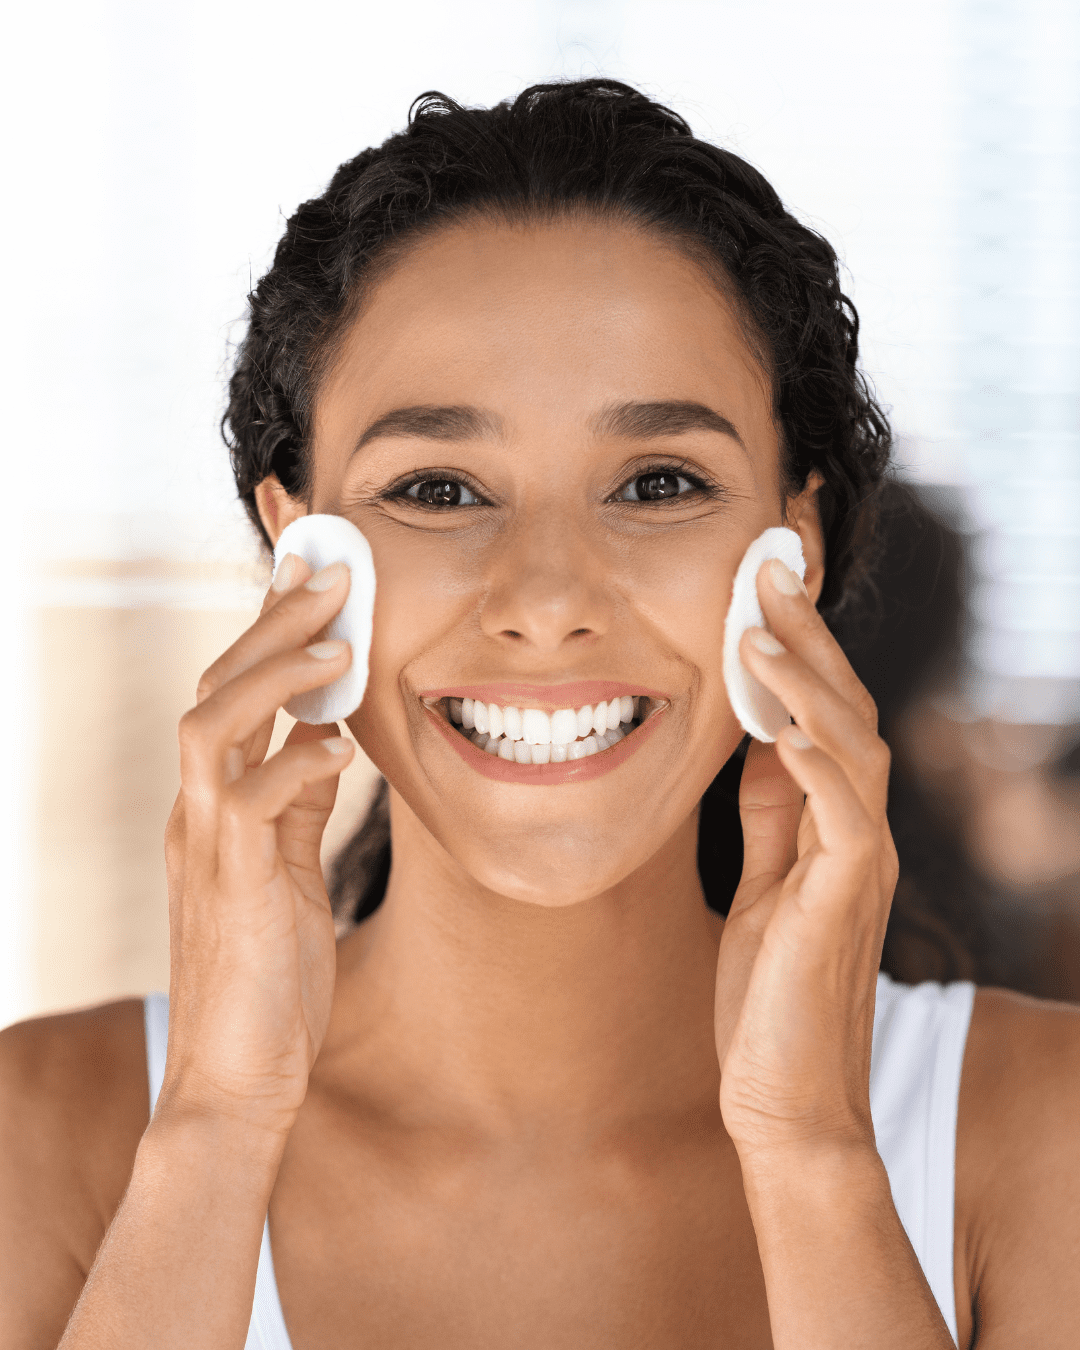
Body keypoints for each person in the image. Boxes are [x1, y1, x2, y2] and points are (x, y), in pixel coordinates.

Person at [2, 80, 1078, 1350]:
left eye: (660, 481)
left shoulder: (1034, 1130)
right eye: (441, 487)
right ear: (299, 551)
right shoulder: (47, 1136)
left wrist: (816, 1151)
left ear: (794, 545)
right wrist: (217, 1126)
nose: (549, 599)